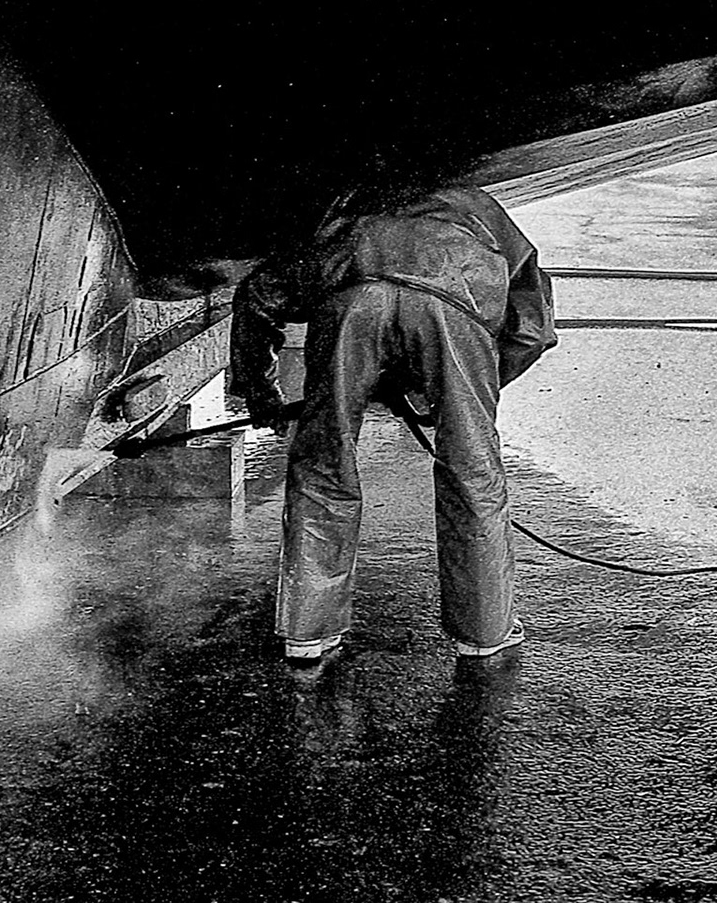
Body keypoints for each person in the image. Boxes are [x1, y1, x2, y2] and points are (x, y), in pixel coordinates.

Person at [229, 184, 556, 662]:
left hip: (351, 295)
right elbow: (532, 329)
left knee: (323, 464)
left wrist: (263, 394)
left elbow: (256, 296)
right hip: (454, 304)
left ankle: (307, 631)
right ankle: (485, 633)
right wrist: (469, 389)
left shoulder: (344, 202)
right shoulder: (479, 205)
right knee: (472, 473)